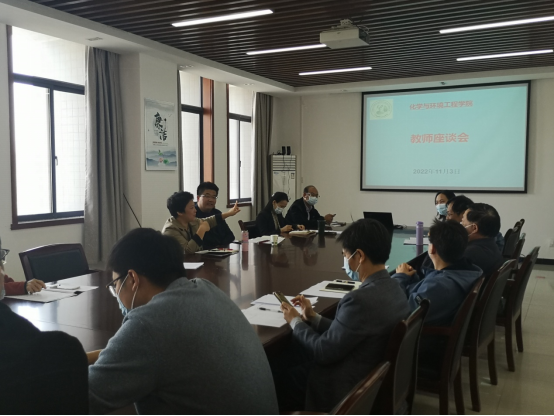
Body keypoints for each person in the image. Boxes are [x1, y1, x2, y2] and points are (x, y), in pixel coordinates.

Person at [87, 228, 279, 415]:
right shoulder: (206, 289)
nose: (116, 293)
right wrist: (90, 357)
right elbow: (154, 351)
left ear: (132, 279)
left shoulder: (147, 324)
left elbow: (83, 398)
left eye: (115, 285)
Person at [276, 219, 410, 412]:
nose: (345, 261)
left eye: (346, 255)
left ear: (360, 256)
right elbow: (351, 331)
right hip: (370, 373)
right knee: (293, 356)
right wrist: (313, 317)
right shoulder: (395, 287)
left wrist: (295, 320)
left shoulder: (359, 300)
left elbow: (323, 352)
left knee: (281, 376)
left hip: (346, 386)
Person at [393, 219, 483, 327]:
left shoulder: (438, 285)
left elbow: (400, 311)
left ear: (432, 249)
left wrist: (400, 277)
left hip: (422, 334)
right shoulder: (469, 271)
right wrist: (413, 278)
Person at [162, 191, 241, 254]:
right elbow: (187, 251)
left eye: (194, 206)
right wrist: (201, 230)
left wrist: (229, 213)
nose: (195, 210)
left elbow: (209, 221)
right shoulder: (170, 230)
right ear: (179, 212)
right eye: (191, 208)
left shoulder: (190, 220)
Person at [461, 204, 505, 278]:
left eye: (463, 223)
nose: (461, 225)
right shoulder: (491, 245)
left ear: (474, 228)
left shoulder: (469, 254)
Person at [195, 182, 236, 249]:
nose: (211, 200)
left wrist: (220, 247)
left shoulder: (217, 213)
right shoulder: (193, 214)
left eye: (213, 197)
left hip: (221, 251)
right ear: (198, 198)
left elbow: (230, 236)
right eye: (207, 196)